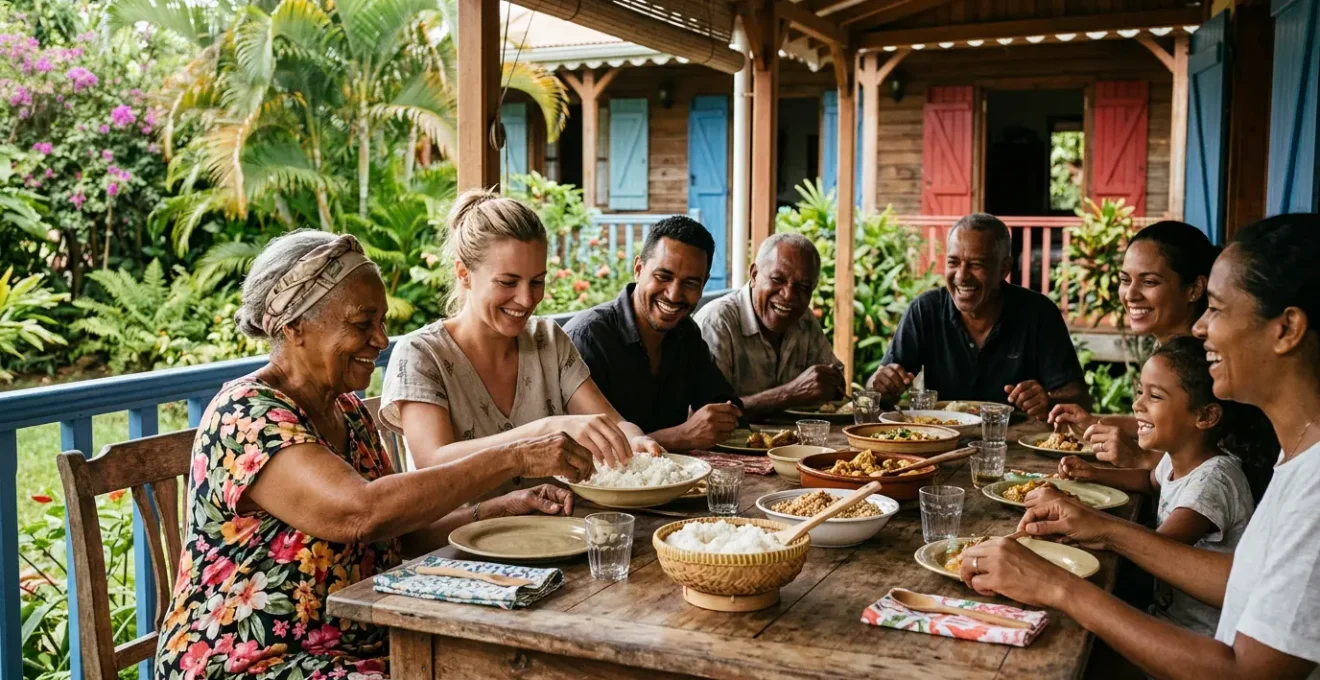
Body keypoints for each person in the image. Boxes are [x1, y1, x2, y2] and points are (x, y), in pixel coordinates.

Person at [154, 231, 594, 679]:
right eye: (363, 324)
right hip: (254, 660)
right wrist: (514, 456)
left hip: (363, 644)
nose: (382, 340)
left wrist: (504, 507)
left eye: (382, 322)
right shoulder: (246, 415)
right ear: (294, 327)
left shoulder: (347, 410)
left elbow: (397, 533)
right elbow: (362, 514)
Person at [958, 214, 1320, 679]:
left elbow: (1244, 672)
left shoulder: (1313, 487)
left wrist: (1058, 586)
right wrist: (1102, 529)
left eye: (1217, 308)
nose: (1200, 328)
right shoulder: (1296, 455)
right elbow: (1244, 581)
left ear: (1287, 328)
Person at [379, 191, 660, 473]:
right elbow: (433, 461)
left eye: (537, 282)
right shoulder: (421, 355)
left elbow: (612, 422)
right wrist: (544, 430)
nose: (527, 300)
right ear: (464, 274)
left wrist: (635, 439)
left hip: (557, 517)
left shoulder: (547, 338)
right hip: (471, 519)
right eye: (507, 282)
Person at [1056, 336, 1273, 636]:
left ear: (1206, 416)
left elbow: (1158, 545)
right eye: (1140, 392)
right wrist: (1092, 473)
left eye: (1154, 397)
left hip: (1199, 638)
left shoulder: (1214, 480)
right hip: (1167, 617)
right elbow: (1148, 481)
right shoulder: (1178, 458)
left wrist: (1088, 529)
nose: (1137, 404)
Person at [865, 213, 1090, 419]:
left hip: (1016, 446)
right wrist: (879, 385)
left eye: (976, 264)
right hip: (941, 441)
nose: (962, 276)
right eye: (953, 262)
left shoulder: (1039, 313)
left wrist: (1048, 402)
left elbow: (1080, 399)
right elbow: (876, 392)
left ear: (1004, 269)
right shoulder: (926, 310)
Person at [1051, 221, 1221, 468]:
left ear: (1194, 288)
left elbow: (1204, 467)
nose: (1130, 294)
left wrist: (1138, 459)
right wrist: (1095, 423)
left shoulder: (1206, 362)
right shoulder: (1172, 351)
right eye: (1124, 280)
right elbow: (1167, 425)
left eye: (1149, 282)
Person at [565, 215, 743, 452]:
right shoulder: (588, 337)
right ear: (639, 269)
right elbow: (589, 451)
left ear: (704, 284)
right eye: (663, 276)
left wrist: (720, 418)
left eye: (690, 283)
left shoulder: (686, 332)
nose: (673, 294)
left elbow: (729, 410)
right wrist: (680, 436)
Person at [694, 232, 843, 418]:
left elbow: (837, 386)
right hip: (726, 446)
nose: (789, 295)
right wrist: (790, 393)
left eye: (803, 287)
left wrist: (832, 383)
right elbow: (708, 414)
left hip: (794, 444)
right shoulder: (716, 322)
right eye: (777, 280)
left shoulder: (804, 320)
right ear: (754, 275)